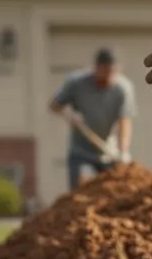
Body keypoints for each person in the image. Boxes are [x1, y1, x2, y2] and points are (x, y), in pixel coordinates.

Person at [49, 47, 136, 191]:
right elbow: (54, 105)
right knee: (78, 190)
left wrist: (123, 151)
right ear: (96, 67)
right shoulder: (76, 83)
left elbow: (124, 121)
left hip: (106, 150)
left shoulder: (123, 89)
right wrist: (69, 115)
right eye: (105, 71)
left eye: (112, 72)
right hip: (80, 150)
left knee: (110, 191)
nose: (109, 76)